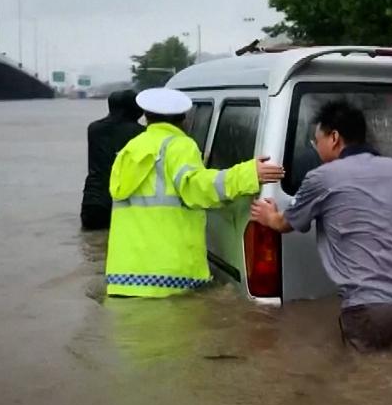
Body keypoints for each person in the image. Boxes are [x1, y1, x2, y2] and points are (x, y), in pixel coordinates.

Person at [251, 100, 392, 352]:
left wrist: (268, 216)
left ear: (334, 138)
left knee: (360, 384)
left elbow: (285, 224)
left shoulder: (322, 177)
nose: (315, 148)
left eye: (317, 141)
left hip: (371, 311)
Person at [105, 88, 284, 298]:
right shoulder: (180, 146)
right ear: (184, 119)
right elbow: (198, 189)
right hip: (167, 278)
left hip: (123, 278)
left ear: (146, 117)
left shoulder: (130, 149)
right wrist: (247, 174)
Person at [81, 90, 144, 230]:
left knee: (92, 245)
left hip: (93, 200)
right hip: (125, 201)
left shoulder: (94, 129)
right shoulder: (141, 133)